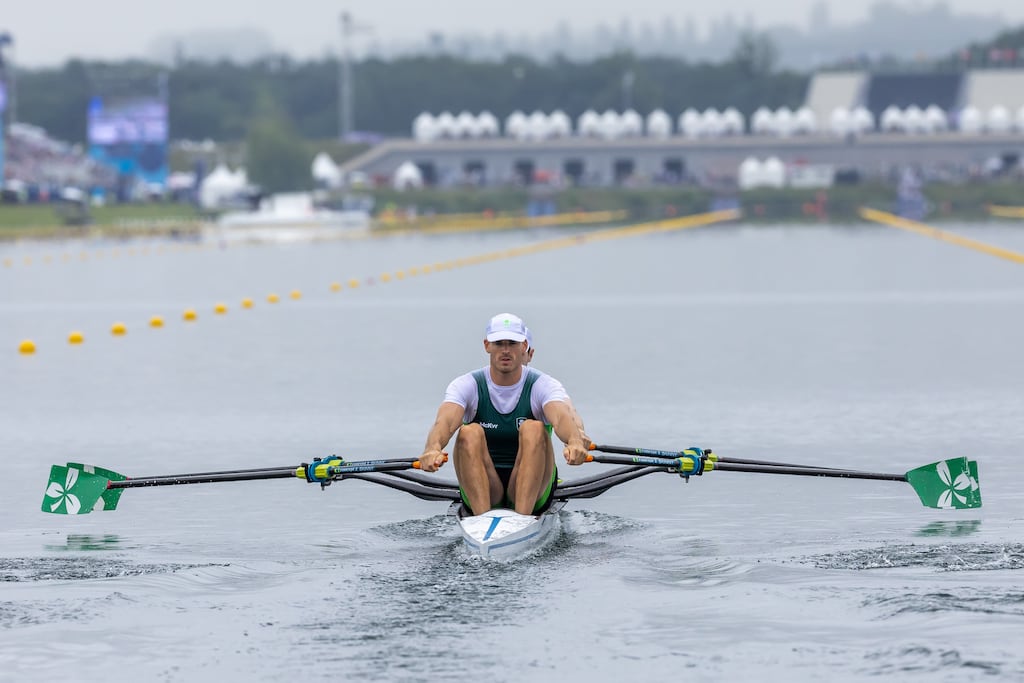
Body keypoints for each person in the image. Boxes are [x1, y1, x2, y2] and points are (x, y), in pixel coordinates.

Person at [418, 313, 590, 516]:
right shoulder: (466, 385)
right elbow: (444, 423)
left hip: (536, 485)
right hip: (485, 483)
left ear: (524, 345)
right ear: (487, 346)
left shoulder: (544, 385)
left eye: (512, 343)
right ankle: (482, 522)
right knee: (468, 432)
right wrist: (432, 448)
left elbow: (562, 417)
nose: (506, 350)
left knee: (533, 427)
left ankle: (522, 520)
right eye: (499, 343)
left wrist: (575, 441)